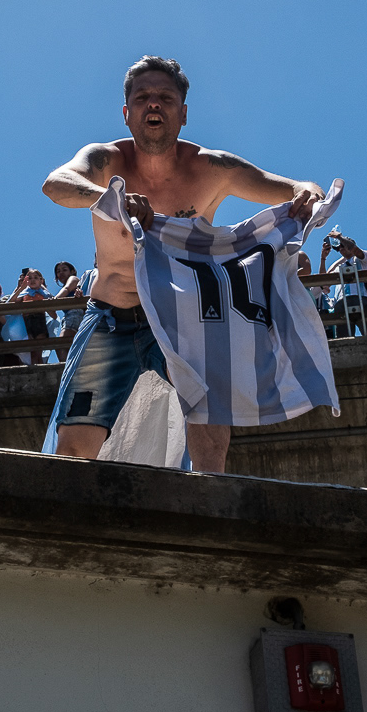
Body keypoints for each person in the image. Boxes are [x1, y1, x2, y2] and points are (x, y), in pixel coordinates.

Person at [40, 54, 324, 473]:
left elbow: (294, 187)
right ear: (126, 113)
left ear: (183, 112)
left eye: (165, 98)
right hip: (111, 317)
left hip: (183, 317)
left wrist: (307, 192)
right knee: (76, 443)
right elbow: (56, 184)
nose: (153, 105)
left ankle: (211, 509)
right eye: (143, 98)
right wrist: (110, 200)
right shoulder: (106, 162)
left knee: (211, 419)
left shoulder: (212, 168)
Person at [321, 232, 367, 337]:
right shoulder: (339, 266)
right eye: (339, 247)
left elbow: (354, 250)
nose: (341, 248)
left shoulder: (364, 259)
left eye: (343, 245)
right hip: (341, 301)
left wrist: (339, 237)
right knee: (343, 335)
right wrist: (323, 258)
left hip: (360, 297)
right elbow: (324, 284)